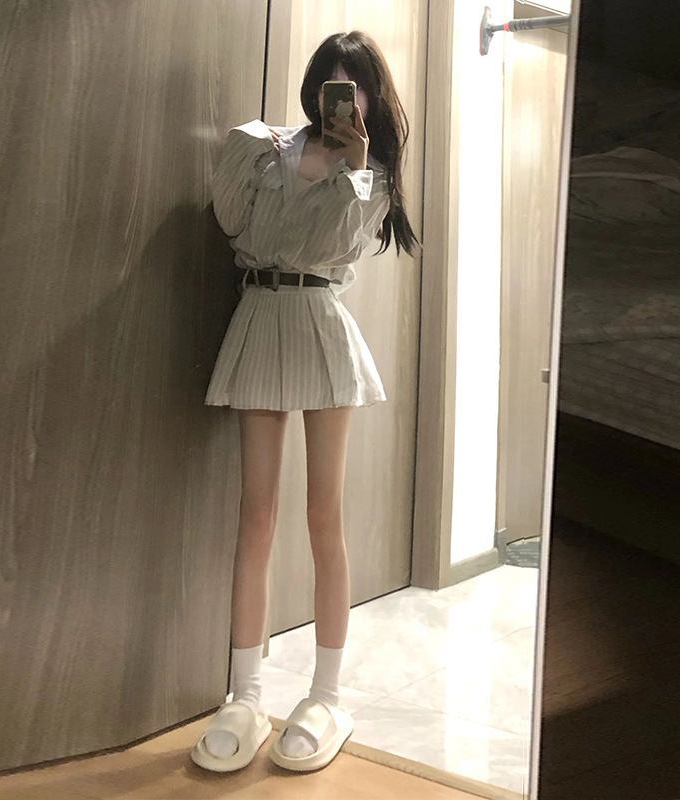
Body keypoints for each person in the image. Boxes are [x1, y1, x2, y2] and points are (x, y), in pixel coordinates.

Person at [191, 30, 420, 774]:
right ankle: (246, 693)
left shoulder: (373, 174)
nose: (342, 98)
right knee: (256, 515)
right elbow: (235, 223)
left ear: (371, 98)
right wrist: (261, 153)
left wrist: (354, 169)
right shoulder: (265, 149)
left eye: (355, 86)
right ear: (314, 86)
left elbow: (338, 249)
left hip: (321, 326)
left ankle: (326, 696)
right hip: (261, 316)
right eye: (331, 82)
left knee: (325, 516)